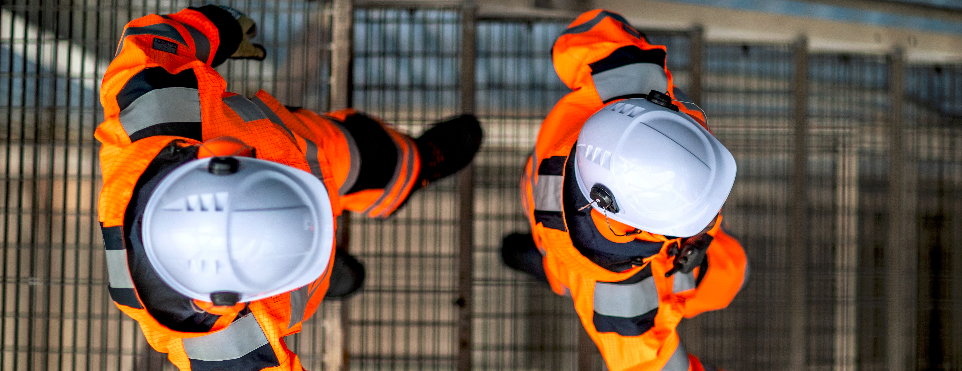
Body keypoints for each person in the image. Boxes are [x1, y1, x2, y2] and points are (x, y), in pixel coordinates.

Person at [95, 5, 482, 370]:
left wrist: (221, 28)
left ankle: (411, 167)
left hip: (305, 150)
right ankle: (316, 269)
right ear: (232, 296)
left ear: (217, 156)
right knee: (316, 244)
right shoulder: (219, 349)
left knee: (370, 152)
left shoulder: (152, 118)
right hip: (287, 182)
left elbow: (154, 41)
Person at [501, 9, 748, 371]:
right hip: (573, 249)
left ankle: (548, 266)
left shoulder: (627, 77)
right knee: (734, 273)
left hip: (541, 188)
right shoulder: (620, 301)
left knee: (732, 272)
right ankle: (549, 269)